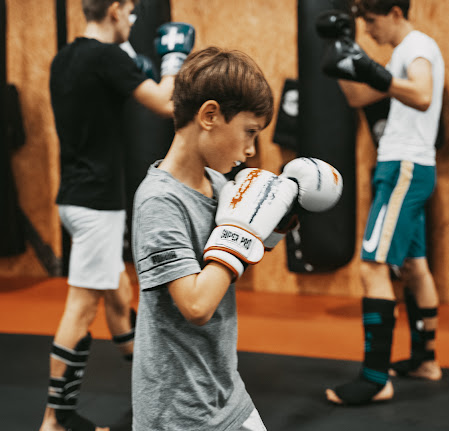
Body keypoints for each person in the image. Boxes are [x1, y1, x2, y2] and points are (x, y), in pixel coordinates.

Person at [129, 46, 343, 431]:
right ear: (209, 115)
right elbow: (196, 305)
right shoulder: (159, 201)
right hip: (179, 412)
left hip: (224, 390)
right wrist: (241, 231)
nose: (251, 149)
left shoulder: (216, 183)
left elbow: (231, 257)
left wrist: (276, 223)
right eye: (249, 131)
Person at [39, 0, 195, 430]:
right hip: (96, 202)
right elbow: (165, 103)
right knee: (81, 307)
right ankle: (55, 419)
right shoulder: (107, 57)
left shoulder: (65, 57)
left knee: (119, 294)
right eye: (129, 11)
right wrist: (174, 58)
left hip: (74, 195)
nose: (133, 19)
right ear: (112, 10)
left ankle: (154, 386)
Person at [316, 0, 445, 405]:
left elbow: (422, 95)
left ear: (394, 12)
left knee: (372, 266)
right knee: (414, 266)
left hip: (404, 167)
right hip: (410, 166)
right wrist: (340, 57)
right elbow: (359, 98)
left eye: (371, 21)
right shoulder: (402, 54)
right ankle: (426, 360)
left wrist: (374, 70)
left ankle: (375, 378)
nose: (369, 30)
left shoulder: (417, 46)